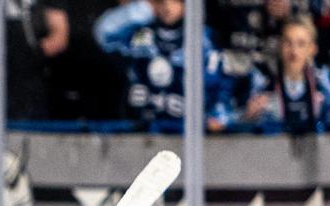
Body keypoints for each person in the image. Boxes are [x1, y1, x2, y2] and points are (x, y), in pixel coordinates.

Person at [95, 0, 235, 130]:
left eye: (174, 1)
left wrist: (219, 116)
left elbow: (221, 84)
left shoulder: (203, 39)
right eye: (162, 1)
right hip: (140, 130)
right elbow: (105, 34)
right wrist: (145, 7)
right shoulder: (141, 34)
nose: (167, 7)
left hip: (185, 133)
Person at [244, 14, 330, 132]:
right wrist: (248, 117)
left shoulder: (323, 81)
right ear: (280, 45)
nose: (294, 51)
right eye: (288, 42)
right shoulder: (263, 81)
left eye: (301, 44)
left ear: (312, 49)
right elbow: (236, 124)